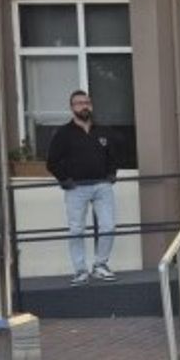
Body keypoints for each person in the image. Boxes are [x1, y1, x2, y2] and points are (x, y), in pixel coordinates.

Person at [45, 90, 118, 285]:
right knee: (76, 229)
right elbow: (52, 162)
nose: (84, 106)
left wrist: (112, 173)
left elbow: (113, 155)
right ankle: (80, 270)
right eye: (79, 103)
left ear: (91, 105)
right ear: (72, 108)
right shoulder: (63, 134)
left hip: (102, 186)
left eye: (86, 102)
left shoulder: (103, 131)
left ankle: (100, 265)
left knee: (108, 226)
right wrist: (64, 179)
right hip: (76, 188)